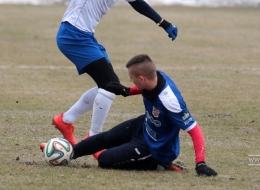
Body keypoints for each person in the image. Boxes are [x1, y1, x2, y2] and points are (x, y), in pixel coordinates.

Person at [52, 0, 178, 145]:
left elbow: (138, 3)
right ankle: (94, 140)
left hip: (85, 35)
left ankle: (65, 120)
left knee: (108, 86)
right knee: (110, 85)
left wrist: (163, 23)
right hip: (73, 34)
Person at [61, 54, 217, 175]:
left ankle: (158, 165)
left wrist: (200, 163)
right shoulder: (155, 76)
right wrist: (126, 91)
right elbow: (145, 88)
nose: (131, 80)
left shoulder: (170, 101)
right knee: (105, 138)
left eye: (132, 79)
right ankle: (67, 154)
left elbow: (195, 130)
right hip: (145, 125)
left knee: (104, 160)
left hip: (156, 148)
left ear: (141, 78)